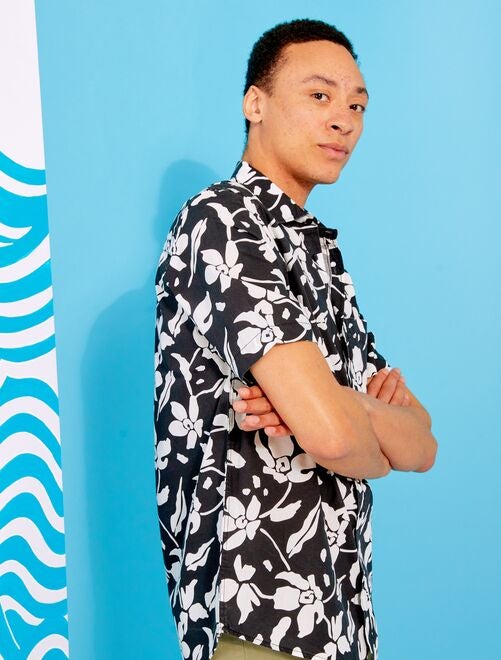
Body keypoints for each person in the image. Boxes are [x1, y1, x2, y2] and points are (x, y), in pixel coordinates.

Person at [153, 18, 437, 660]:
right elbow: (336, 440)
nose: (343, 120)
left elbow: (422, 444)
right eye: (319, 95)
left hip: (342, 619)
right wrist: (351, 427)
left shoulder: (318, 253)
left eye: (357, 105)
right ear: (255, 103)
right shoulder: (222, 221)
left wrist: (341, 404)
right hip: (259, 620)